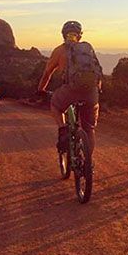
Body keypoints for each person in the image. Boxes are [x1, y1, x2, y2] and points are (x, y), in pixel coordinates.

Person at [37, 20, 103, 157]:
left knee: (55, 105)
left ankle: (63, 129)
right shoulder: (87, 50)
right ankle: (88, 164)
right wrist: (97, 90)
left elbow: (47, 73)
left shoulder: (59, 50)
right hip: (91, 92)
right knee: (89, 129)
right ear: (80, 35)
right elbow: (97, 71)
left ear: (63, 35)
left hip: (70, 91)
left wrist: (40, 90)